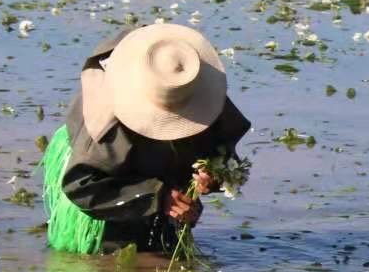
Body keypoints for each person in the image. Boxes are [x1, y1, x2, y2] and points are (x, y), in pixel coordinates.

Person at [40, 23, 250, 254]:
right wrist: (158, 197)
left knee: (164, 247)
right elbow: (81, 186)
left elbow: (223, 150)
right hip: (99, 179)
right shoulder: (106, 126)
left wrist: (213, 176)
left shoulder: (191, 82)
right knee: (108, 258)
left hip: (155, 161)